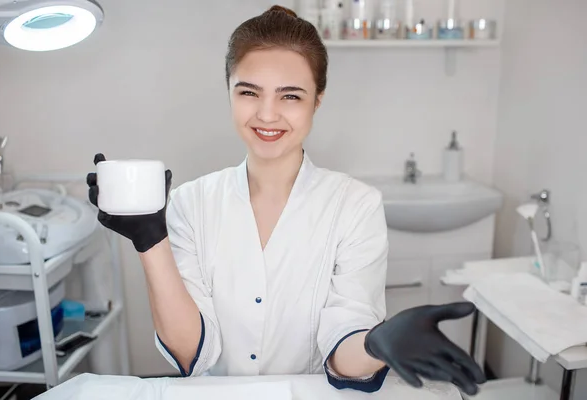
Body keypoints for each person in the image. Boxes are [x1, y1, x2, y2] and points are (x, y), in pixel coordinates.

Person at [86, 5, 486, 395]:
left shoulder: (355, 205)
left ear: (317, 99)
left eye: (290, 96)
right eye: (249, 92)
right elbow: (190, 353)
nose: (267, 114)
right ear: (229, 91)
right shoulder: (191, 203)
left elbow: (344, 353)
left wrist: (376, 345)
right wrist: (150, 243)